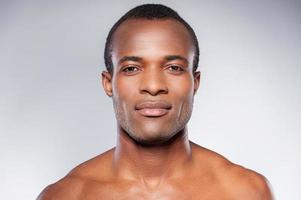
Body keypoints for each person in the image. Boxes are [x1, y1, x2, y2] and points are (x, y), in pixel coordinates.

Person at [37, 4, 273, 199]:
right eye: (131, 68)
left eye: (173, 68)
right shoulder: (66, 195)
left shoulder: (245, 192)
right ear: (109, 83)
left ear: (195, 82)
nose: (152, 86)